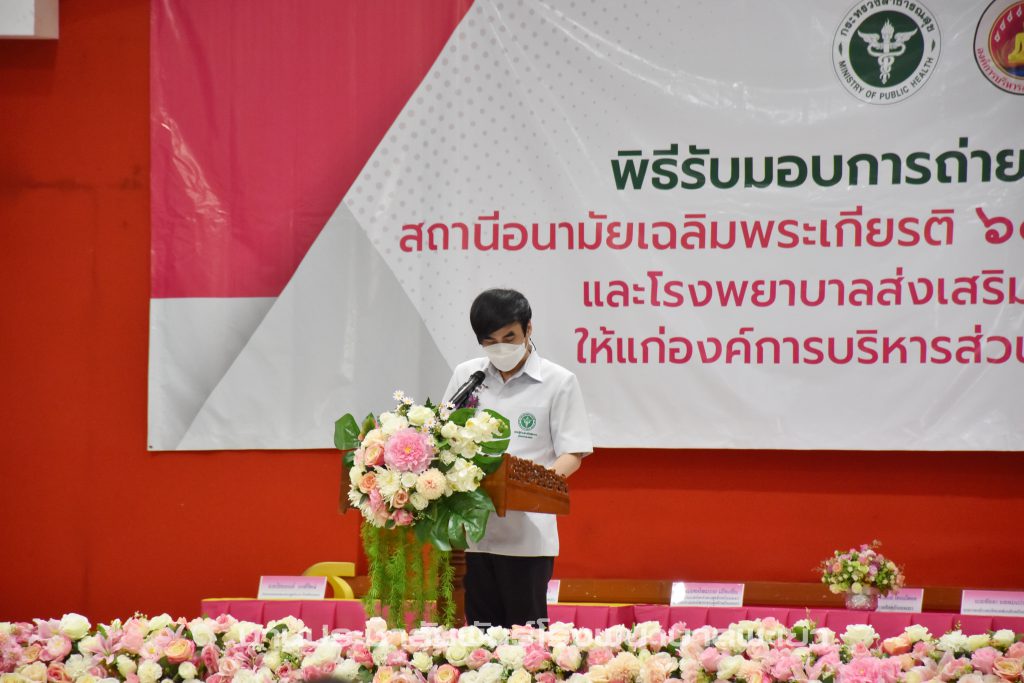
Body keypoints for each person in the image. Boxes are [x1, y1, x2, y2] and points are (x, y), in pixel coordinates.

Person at [443, 288, 593, 628]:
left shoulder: (558, 381)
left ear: (528, 328)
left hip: (528, 536)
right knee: (479, 638)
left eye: (509, 337)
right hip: (473, 535)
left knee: (526, 640)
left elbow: (573, 453)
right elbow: (444, 436)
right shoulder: (468, 376)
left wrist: (530, 486)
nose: (501, 347)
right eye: (490, 341)